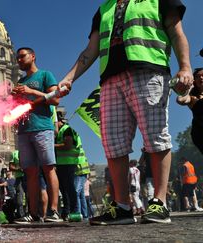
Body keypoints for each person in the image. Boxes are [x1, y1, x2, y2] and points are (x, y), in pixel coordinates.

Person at [57, 0, 193, 225]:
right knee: (113, 142)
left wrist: (185, 66)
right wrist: (69, 78)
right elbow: (91, 50)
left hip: (149, 70)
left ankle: (159, 202)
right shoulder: (104, 9)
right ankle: (122, 206)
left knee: (155, 134)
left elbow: (177, 33)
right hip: (110, 78)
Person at [12, 47, 60, 223]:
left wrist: (31, 92)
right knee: (30, 173)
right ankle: (33, 213)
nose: (19, 60)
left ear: (33, 56)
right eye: (17, 58)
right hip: (24, 131)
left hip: (42, 128)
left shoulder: (45, 75)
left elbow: (55, 98)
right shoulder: (20, 82)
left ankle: (53, 211)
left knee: (48, 168)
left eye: (22, 56)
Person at [54, 112, 87, 221]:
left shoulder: (67, 130)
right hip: (62, 164)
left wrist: (51, 146)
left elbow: (67, 145)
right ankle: (67, 211)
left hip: (69, 163)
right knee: (64, 189)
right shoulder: (61, 131)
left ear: (58, 121)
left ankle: (74, 211)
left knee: (70, 188)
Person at [177, 68, 203, 154]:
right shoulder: (193, 97)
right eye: (198, 77)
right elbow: (180, 100)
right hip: (200, 132)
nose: (201, 78)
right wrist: (189, 88)